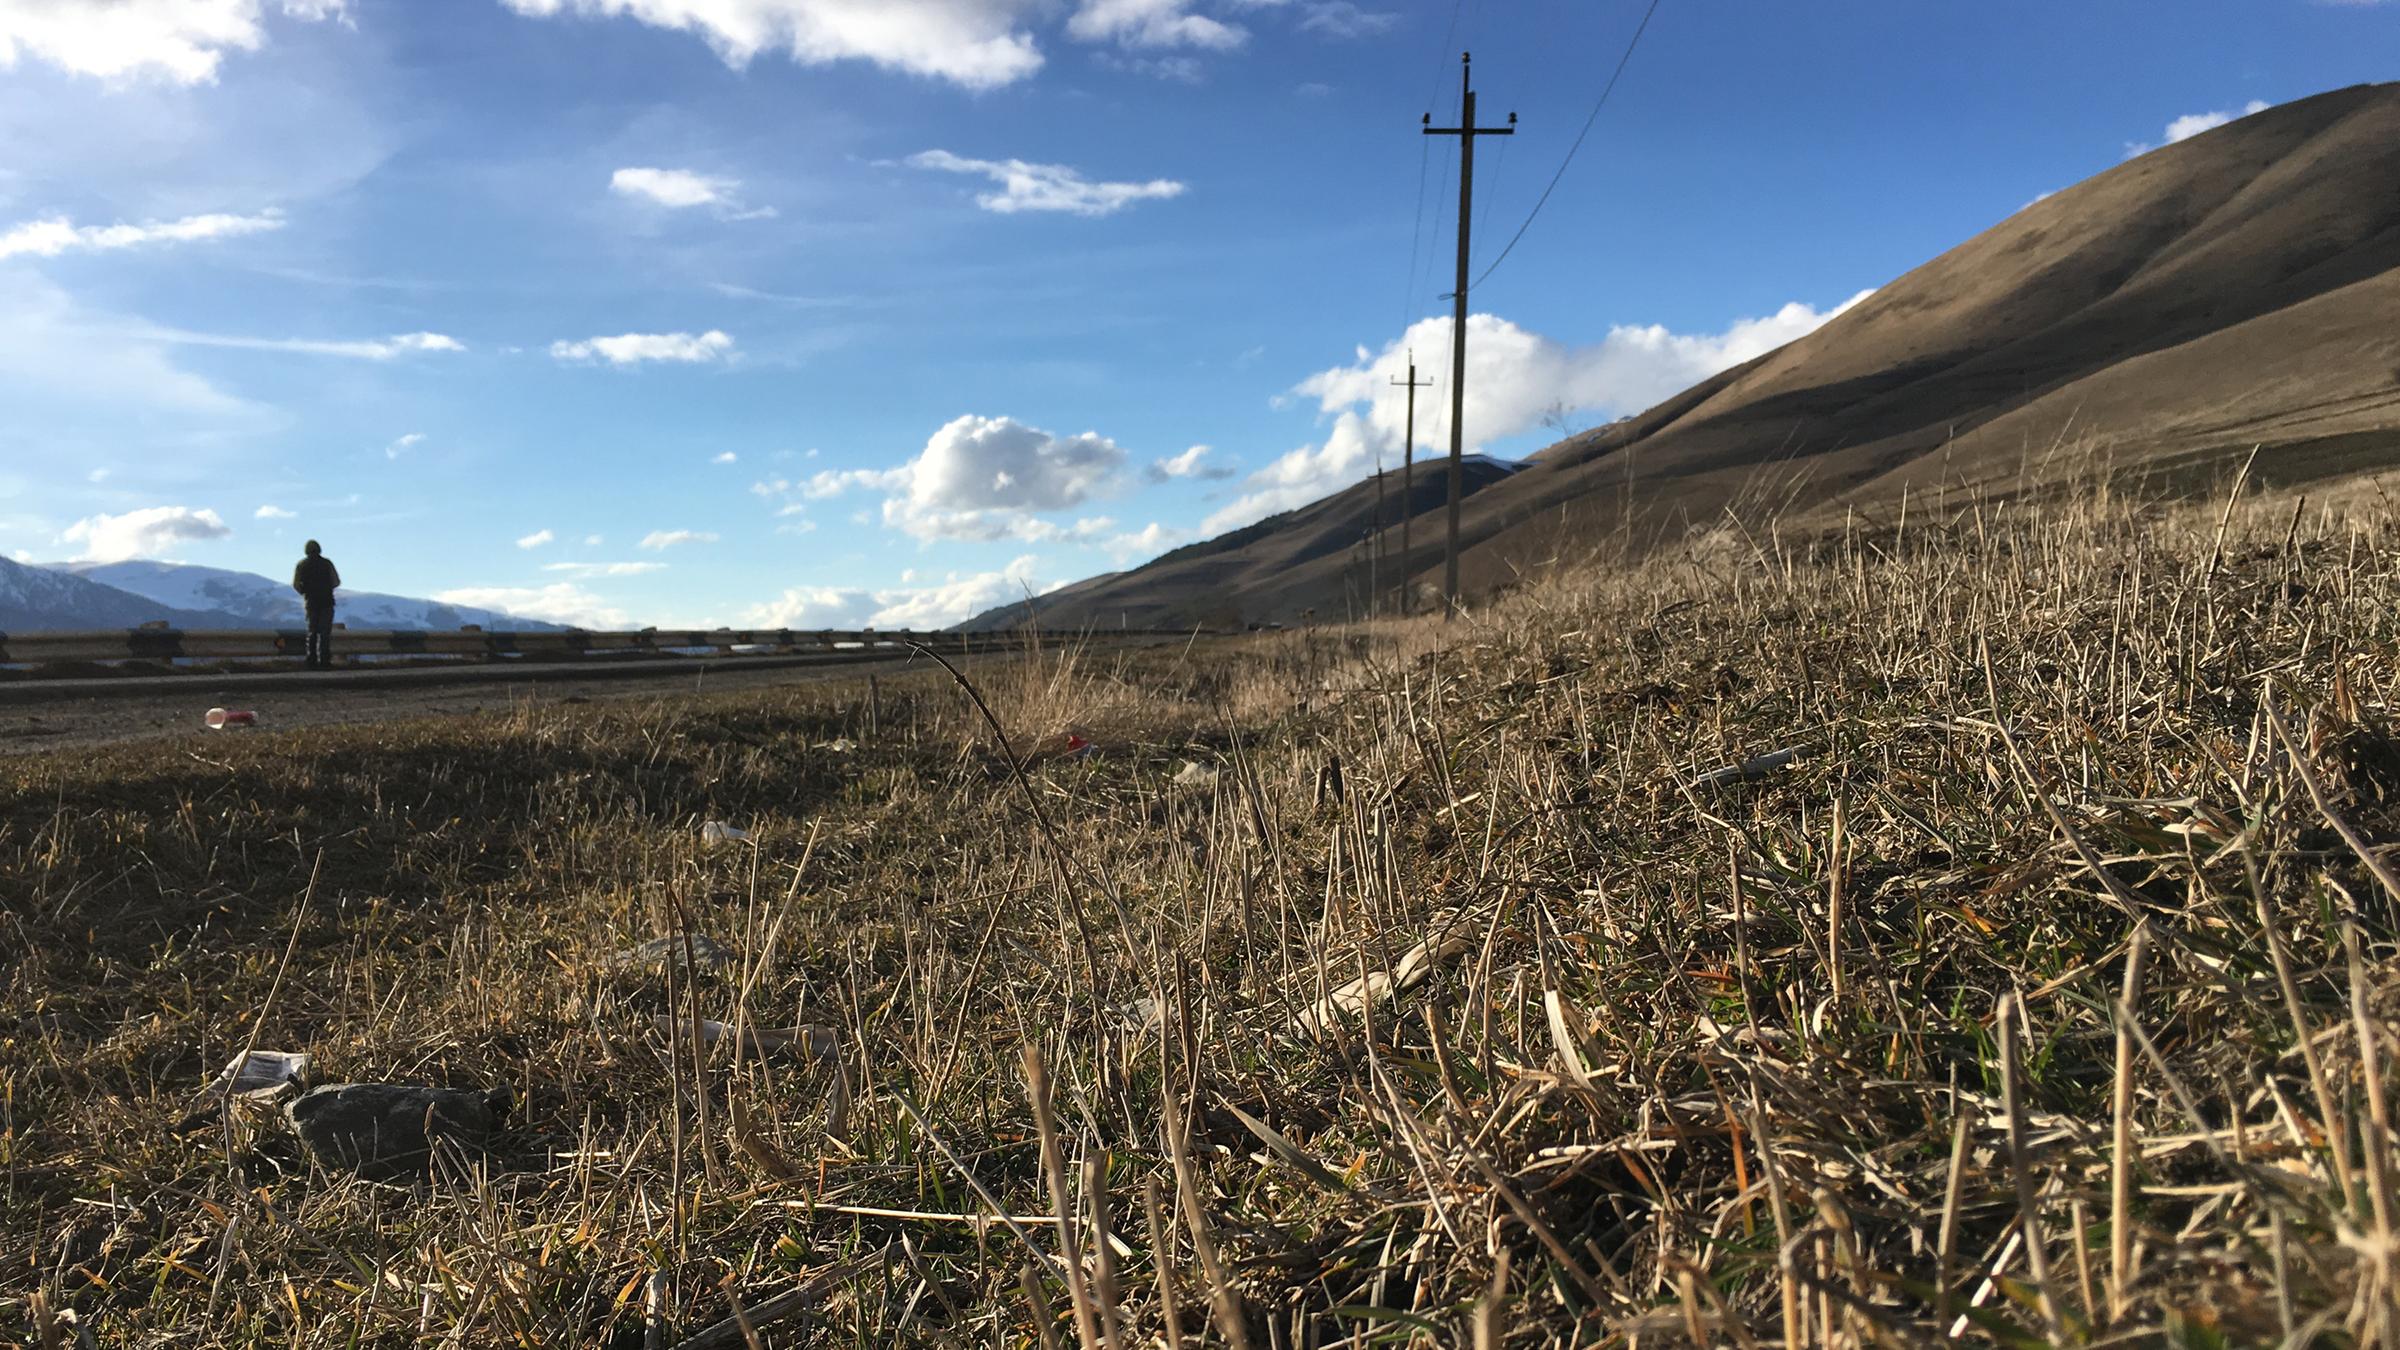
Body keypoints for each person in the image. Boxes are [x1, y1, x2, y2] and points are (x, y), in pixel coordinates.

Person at [292, 540, 342, 670]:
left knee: (312, 632)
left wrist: (305, 592)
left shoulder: (302, 565)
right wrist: (326, 588)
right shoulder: (327, 564)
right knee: (325, 633)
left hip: (311, 602)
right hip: (326, 601)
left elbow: (296, 584)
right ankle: (325, 661)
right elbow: (336, 581)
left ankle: (311, 661)